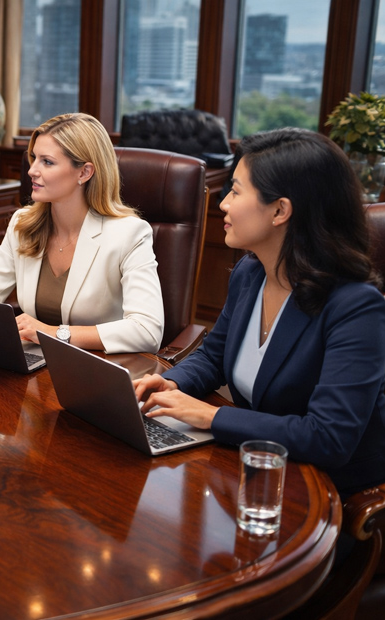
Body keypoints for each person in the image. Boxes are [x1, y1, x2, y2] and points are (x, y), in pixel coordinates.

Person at [134, 128, 385, 496]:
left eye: (235, 191)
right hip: (254, 469)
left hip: (328, 496)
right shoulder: (251, 272)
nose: (222, 203)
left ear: (280, 210)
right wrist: (173, 382)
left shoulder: (356, 308)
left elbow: (328, 438)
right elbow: (214, 355)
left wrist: (210, 416)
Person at [0, 112, 164, 354]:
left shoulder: (129, 234)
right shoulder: (23, 224)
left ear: (84, 172)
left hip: (100, 370)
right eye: (34, 158)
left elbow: (147, 330)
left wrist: (54, 333)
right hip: (38, 365)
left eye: (47, 162)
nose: (31, 171)